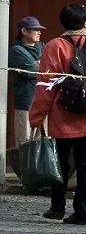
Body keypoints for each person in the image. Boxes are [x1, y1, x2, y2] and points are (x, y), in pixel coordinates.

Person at [29, 4, 86, 225]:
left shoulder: (54, 46)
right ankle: (83, 213)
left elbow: (45, 85)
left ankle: (57, 207)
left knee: (59, 164)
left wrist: (37, 115)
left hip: (62, 117)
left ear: (64, 22)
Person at [9, 16, 46, 147]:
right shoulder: (16, 51)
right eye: (35, 29)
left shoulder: (43, 47)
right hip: (25, 103)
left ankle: (40, 169)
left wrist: (39, 66)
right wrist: (42, 67)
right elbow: (31, 72)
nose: (39, 32)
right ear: (24, 31)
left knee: (43, 143)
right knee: (24, 144)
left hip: (43, 102)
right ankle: (24, 168)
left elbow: (52, 68)